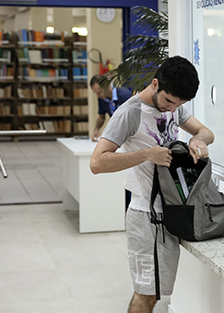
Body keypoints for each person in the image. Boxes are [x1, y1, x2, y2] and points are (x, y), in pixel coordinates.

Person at [89, 56, 214, 313]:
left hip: (169, 211)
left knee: (155, 294)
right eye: (169, 101)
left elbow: (207, 132)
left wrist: (197, 140)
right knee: (146, 295)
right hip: (145, 217)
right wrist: (146, 154)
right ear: (155, 84)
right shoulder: (130, 112)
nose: (172, 109)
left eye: (179, 104)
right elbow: (97, 163)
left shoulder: (174, 106)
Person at [89, 74, 133, 142]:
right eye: (96, 93)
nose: (98, 96)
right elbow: (101, 117)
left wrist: (110, 130)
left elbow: (130, 119)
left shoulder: (125, 95)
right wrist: (96, 129)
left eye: (99, 92)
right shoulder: (101, 99)